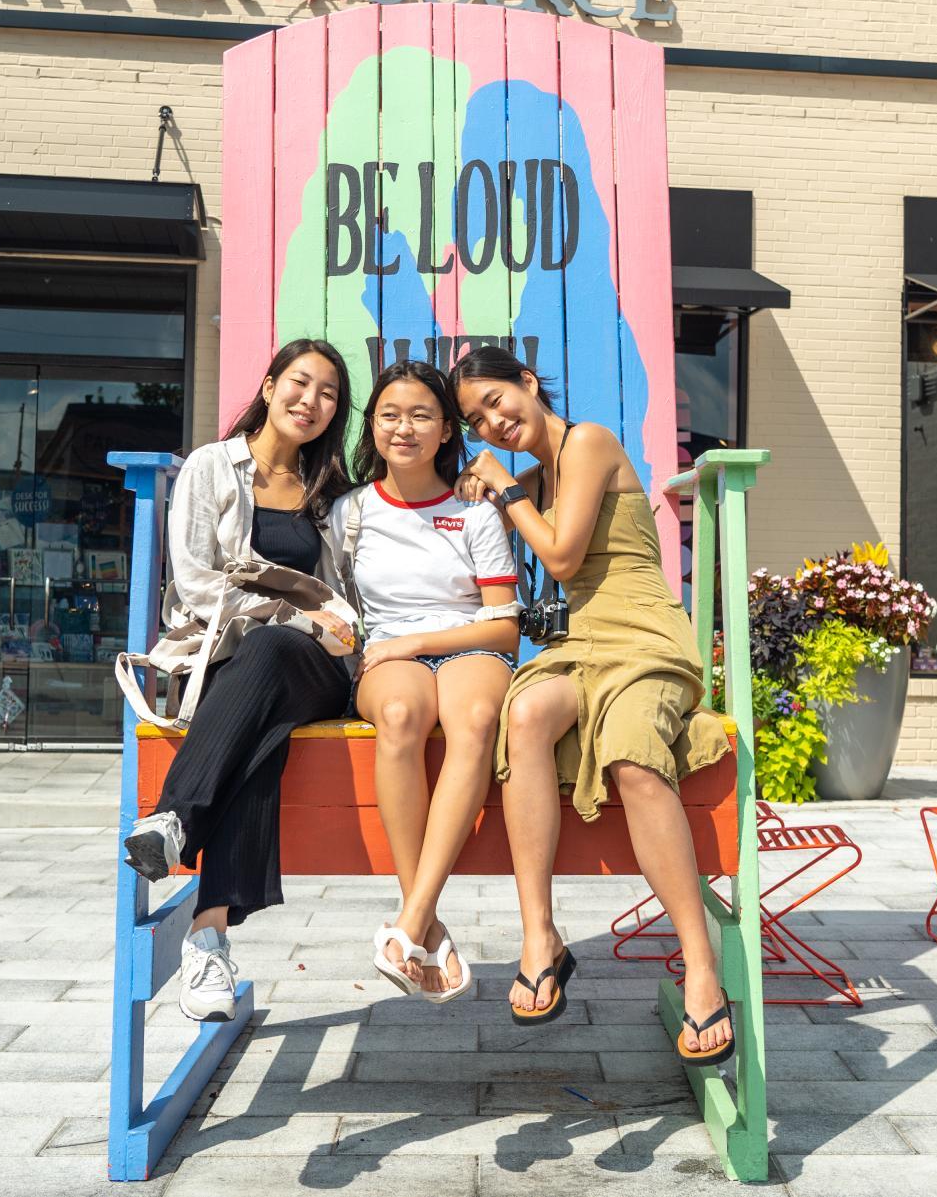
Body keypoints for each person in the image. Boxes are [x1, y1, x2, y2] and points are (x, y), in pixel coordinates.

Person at [450, 346, 737, 1065]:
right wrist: (486, 488)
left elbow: (566, 557)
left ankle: (700, 966)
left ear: (527, 382)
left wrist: (501, 487)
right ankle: (539, 934)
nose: (492, 421)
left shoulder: (588, 442)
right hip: (580, 645)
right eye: (475, 418)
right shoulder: (537, 473)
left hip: (642, 637)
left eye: (496, 399)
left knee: (636, 754)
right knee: (525, 718)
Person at [121, 338, 359, 1022]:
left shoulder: (328, 491)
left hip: (315, 662)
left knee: (273, 651)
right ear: (268, 383)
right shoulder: (210, 468)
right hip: (229, 660)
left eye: (328, 394)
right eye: (300, 383)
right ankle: (208, 938)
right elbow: (195, 584)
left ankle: (174, 818)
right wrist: (285, 612)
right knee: (261, 732)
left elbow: (341, 598)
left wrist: (315, 625)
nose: (310, 401)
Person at [335, 361, 521, 1004]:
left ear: (446, 430)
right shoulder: (350, 511)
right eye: (389, 415)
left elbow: (502, 630)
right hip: (387, 660)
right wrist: (383, 649)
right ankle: (427, 923)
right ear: (372, 426)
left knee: (472, 722)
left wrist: (415, 642)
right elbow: (330, 605)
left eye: (421, 415)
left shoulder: (474, 512)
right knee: (400, 718)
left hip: (467, 645)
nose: (403, 428)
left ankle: (411, 921)